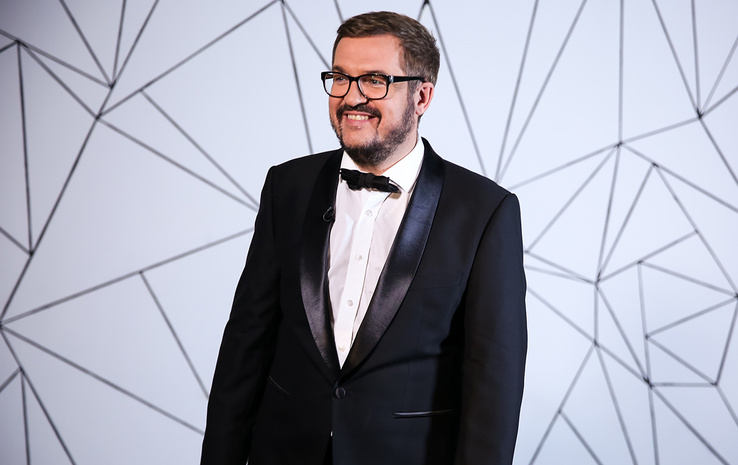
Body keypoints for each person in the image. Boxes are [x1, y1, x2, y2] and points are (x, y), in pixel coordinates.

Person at [201, 11, 527, 465]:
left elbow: (494, 379)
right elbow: (246, 344)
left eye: (375, 80)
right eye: (340, 78)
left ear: (421, 96)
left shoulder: (485, 210)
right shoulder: (286, 187)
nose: (352, 97)